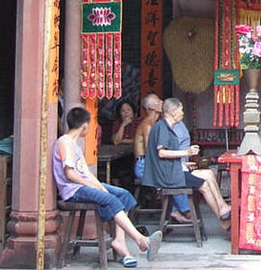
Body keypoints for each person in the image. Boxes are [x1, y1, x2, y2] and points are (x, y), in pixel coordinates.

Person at [53, 107, 162, 266]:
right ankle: (141, 240)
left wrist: (99, 186)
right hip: (73, 190)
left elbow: (86, 173)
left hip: (83, 186)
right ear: (84, 126)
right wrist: (93, 187)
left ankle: (119, 241)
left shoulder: (75, 145)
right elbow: (70, 175)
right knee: (111, 200)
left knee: (123, 195)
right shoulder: (65, 142)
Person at [142, 97, 231, 230]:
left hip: (174, 171)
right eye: (181, 110)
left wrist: (183, 165)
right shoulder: (162, 127)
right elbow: (162, 153)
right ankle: (222, 220)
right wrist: (186, 152)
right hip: (167, 177)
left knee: (208, 174)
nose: (183, 113)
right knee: (204, 185)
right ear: (173, 112)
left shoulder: (167, 127)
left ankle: (222, 206)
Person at [134, 93, 191, 223]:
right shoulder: (148, 125)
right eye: (158, 102)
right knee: (174, 177)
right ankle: (184, 210)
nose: (162, 103)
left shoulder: (158, 124)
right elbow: (152, 152)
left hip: (151, 163)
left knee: (175, 173)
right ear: (151, 107)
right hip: (145, 166)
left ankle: (176, 210)